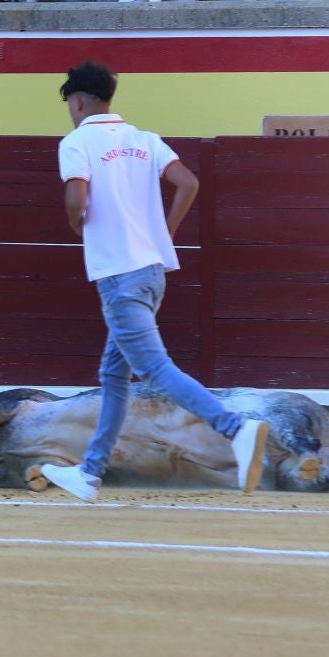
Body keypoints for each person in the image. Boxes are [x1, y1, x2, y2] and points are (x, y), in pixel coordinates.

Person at [37, 62, 269, 503]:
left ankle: (235, 429)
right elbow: (188, 182)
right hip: (150, 273)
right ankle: (89, 473)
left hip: (120, 278)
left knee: (156, 370)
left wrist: (77, 223)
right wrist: (167, 231)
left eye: (70, 103)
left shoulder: (77, 141)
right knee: (115, 375)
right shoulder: (144, 140)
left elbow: (75, 196)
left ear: (78, 101)